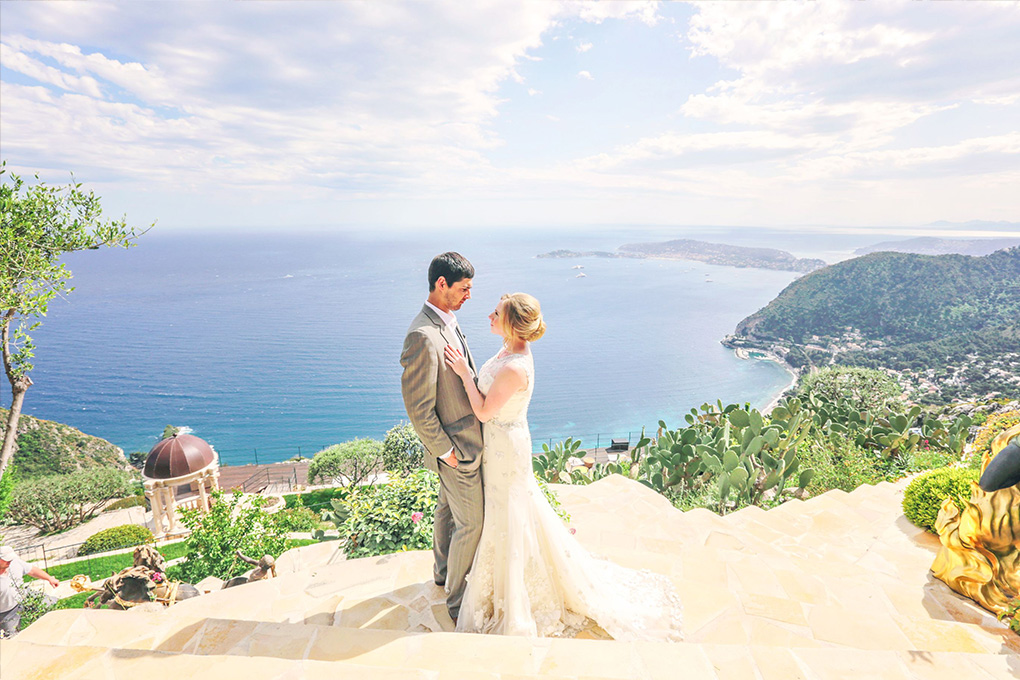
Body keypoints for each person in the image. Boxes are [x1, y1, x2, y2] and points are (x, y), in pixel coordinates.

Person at [444, 293, 683, 640]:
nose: (489, 316)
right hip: (499, 445)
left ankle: (515, 594)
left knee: (510, 515)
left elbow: (484, 412)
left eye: (496, 313)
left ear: (511, 323)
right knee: (509, 514)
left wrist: (465, 374)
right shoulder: (508, 351)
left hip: (505, 451)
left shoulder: (514, 365)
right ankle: (501, 586)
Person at [400, 252, 485, 624]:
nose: (468, 296)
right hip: (457, 448)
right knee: (472, 523)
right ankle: (457, 602)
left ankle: (440, 573)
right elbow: (419, 408)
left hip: (464, 443)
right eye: (463, 289)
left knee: (447, 512)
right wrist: (446, 451)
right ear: (441, 284)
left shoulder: (448, 321)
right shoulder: (422, 335)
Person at [0, 544, 60, 637]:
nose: (9, 561)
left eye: (11, 558)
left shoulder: (15, 563)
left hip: (24, 595)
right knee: (12, 637)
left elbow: (32, 570)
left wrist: (49, 578)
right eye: (6, 559)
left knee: (51, 603)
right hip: (7, 610)